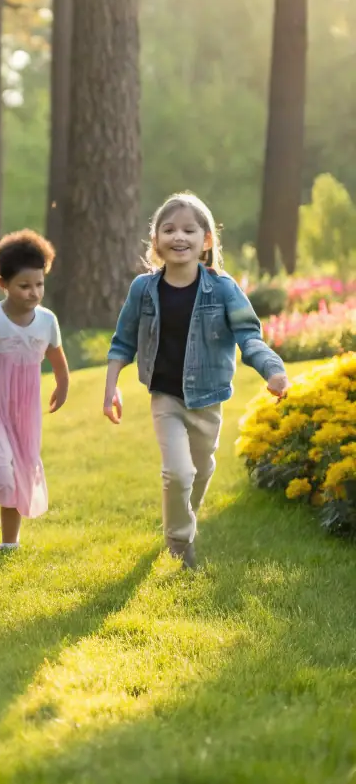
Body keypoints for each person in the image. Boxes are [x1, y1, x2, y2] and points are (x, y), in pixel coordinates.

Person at [104, 192, 288, 569]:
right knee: (178, 471)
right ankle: (179, 544)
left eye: (189, 229)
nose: (179, 237)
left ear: (206, 240)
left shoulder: (222, 289)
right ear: (156, 241)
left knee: (201, 470)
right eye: (168, 229)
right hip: (165, 397)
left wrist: (273, 370)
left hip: (208, 399)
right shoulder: (143, 289)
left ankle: (183, 521)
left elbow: (248, 336)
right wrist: (111, 387)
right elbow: (122, 340)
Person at [0, 230, 69, 552]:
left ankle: (10, 544)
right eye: (24, 285)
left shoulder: (47, 321)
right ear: (2, 284)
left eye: (39, 284)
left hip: (26, 414)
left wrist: (62, 386)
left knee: (19, 470)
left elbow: (57, 359)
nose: (34, 292)